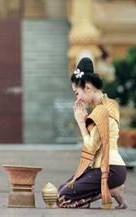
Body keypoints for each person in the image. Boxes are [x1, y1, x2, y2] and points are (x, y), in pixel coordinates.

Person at [57, 57, 127, 209]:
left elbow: (91, 147)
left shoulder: (103, 111)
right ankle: (110, 190)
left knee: (63, 198)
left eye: (77, 93)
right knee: (60, 191)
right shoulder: (109, 104)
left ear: (87, 87)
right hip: (104, 167)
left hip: (110, 169)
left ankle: (111, 191)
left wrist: (81, 122)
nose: (78, 99)